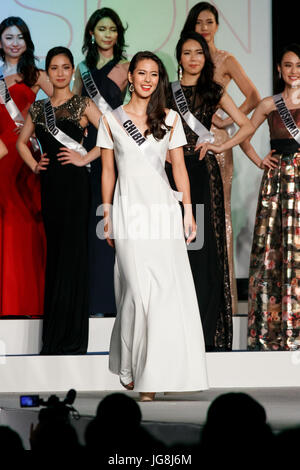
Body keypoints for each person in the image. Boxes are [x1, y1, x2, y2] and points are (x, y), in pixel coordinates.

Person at [98, 50, 209, 401]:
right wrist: (107, 215)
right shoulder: (111, 120)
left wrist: (188, 212)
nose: (147, 79)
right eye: (141, 73)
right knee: (133, 290)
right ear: (129, 77)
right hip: (129, 211)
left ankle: (150, 376)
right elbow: (107, 171)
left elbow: (179, 169)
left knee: (161, 295)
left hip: (162, 213)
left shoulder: (171, 118)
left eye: (154, 74)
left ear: (159, 79)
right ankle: (129, 364)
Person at [166, 32, 253, 350]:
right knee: (174, 250)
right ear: (179, 58)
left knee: (202, 252)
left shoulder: (213, 91)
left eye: (198, 53)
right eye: (187, 53)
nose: (192, 58)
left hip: (202, 175)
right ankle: (176, 331)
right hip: (171, 173)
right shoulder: (166, 91)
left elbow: (245, 124)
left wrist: (221, 143)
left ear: (205, 58)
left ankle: (205, 332)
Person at [17, 47, 101, 354]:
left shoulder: (82, 103)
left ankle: (73, 338)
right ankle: (54, 337)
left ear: (71, 71)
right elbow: (20, 142)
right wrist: (34, 164)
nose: (61, 73)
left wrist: (84, 158)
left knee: (74, 256)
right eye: (55, 68)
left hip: (77, 187)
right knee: (56, 258)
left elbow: (112, 136)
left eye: (66, 67)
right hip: (51, 187)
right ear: (47, 72)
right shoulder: (39, 108)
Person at [182, 2, 261, 314]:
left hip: (217, 143)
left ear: (217, 25)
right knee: (192, 217)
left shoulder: (225, 59)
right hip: (186, 146)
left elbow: (253, 96)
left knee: (218, 218)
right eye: (199, 22)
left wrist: (228, 121)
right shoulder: (188, 59)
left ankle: (223, 301)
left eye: (209, 21)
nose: (204, 27)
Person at [240, 44, 300, 351]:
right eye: (288, 65)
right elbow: (244, 136)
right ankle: (271, 332)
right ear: (279, 68)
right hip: (277, 185)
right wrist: (258, 160)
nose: (293, 71)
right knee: (273, 253)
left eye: (298, 66)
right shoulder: (269, 104)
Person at [73, 8, 129, 316]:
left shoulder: (127, 67)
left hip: (119, 149)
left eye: (112, 29)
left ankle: (121, 298)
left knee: (118, 219)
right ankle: (97, 299)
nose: (107, 34)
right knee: (96, 220)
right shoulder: (81, 68)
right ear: (92, 33)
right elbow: (79, 108)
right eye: (101, 28)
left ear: (118, 34)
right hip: (91, 149)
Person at [0, 16, 52, 316]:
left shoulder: (36, 74)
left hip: (25, 155)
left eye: (20, 37)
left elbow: (62, 102)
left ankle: (26, 301)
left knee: (25, 225)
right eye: (9, 37)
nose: (15, 42)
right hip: (1, 153)